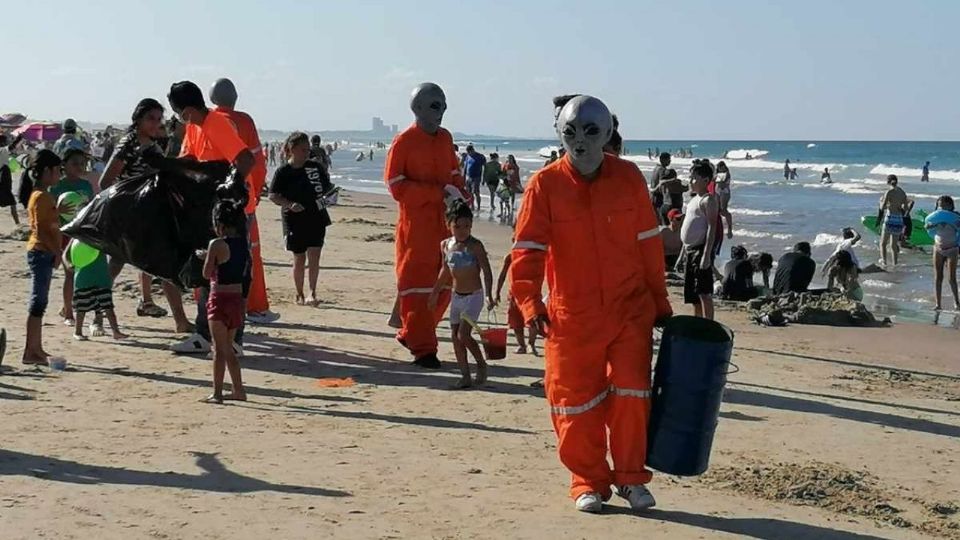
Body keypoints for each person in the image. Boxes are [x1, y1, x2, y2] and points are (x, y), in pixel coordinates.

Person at [511, 95, 671, 513]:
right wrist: (529, 303)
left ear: (608, 135)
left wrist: (660, 303)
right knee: (572, 399)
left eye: (590, 132)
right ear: (559, 134)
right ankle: (588, 481)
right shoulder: (544, 185)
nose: (579, 141)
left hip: (629, 310)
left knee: (632, 395)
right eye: (570, 132)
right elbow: (527, 249)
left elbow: (649, 245)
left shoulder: (629, 178)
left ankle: (631, 478)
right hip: (571, 314)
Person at [166, 80, 255, 356]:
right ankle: (204, 334)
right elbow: (189, 159)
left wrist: (229, 190)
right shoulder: (194, 128)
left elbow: (245, 160)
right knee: (206, 270)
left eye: (178, 112)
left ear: (189, 110)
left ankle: (235, 338)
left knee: (232, 272)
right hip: (206, 210)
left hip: (230, 211)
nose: (179, 118)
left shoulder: (215, 124)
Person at [383, 82, 468, 369]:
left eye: (443, 105)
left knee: (446, 283)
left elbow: (454, 173)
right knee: (417, 286)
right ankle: (424, 349)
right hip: (416, 227)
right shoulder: (404, 142)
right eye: (435, 105)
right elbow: (395, 185)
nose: (441, 111)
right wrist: (435, 193)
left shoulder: (445, 138)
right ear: (417, 108)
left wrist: (459, 197)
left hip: (445, 225)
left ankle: (412, 332)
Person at [99, 98, 192, 331]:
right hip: (130, 216)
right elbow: (106, 181)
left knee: (163, 264)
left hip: (149, 214)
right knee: (117, 265)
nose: (155, 123)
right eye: (150, 118)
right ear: (138, 118)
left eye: (158, 119)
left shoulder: (151, 144)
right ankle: (97, 314)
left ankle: (180, 321)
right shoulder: (128, 144)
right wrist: (132, 196)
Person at [209, 78, 273, 322]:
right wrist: (253, 194)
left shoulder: (205, 122)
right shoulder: (243, 121)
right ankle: (252, 305)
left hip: (212, 200)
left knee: (212, 252)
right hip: (241, 199)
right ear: (234, 98)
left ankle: (209, 306)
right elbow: (256, 162)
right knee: (246, 253)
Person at [428, 201, 495, 388]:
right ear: (448, 225)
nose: (462, 231)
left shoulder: (475, 246)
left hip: (474, 296)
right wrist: (434, 292)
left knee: (464, 335)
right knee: (454, 336)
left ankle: (481, 364)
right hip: (456, 296)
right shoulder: (446, 245)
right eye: (457, 226)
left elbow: (487, 271)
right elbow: (445, 271)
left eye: (467, 226)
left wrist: (489, 295)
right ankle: (465, 375)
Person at [269, 132, 335, 305]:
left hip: (316, 217)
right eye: (303, 150)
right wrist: (290, 204)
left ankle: (312, 293)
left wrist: (331, 197)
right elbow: (273, 195)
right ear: (292, 149)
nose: (307, 153)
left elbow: (327, 189)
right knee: (299, 258)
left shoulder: (315, 167)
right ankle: (299, 293)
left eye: (308, 150)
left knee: (315, 255)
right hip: (294, 219)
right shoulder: (284, 171)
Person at [200, 200, 249, 404]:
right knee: (228, 348)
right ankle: (238, 389)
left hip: (219, 298)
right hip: (236, 299)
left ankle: (217, 392)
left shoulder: (217, 244)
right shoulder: (243, 243)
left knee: (219, 349)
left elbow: (207, 273)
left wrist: (205, 257)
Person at [21, 150, 63, 365]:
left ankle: (36, 348)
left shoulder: (44, 196)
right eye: (57, 171)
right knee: (38, 302)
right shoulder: (40, 196)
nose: (59, 175)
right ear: (47, 171)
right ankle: (31, 350)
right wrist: (56, 251)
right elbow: (41, 228)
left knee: (41, 302)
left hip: (44, 251)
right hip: (41, 251)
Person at [50, 148, 95, 327]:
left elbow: (91, 208)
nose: (79, 166)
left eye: (82, 163)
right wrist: (57, 212)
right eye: (74, 163)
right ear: (64, 165)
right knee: (69, 274)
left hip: (82, 234)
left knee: (82, 274)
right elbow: (48, 212)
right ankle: (69, 313)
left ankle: (70, 307)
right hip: (63, 234)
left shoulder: (86, 186)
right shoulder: (57, 186)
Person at [65, 239, 127, 341]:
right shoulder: (76, 237)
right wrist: (69, 265)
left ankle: (116, 332)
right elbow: (66, 254)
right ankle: (78, 332)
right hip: (83, 277)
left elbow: (112, 250)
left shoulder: (98, 236)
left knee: (108, 306)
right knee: (82, 308)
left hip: (101, 276)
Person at [681, 161, 719, 320]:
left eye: (694, 178)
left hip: (700, 249)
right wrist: (682, 253)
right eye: (690, 178)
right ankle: (697, 322)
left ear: (705, 180)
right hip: (689, 250)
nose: (690, 182)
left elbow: (712, 227)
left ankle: (708, 324)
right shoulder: (693, 199)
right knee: (693, 295)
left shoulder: (708, 200)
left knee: (703, 292)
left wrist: (706, 255)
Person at [495, 245, 537, 356]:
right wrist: (497, 291)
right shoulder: (510, 256)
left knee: (533, 319)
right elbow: (502, 275)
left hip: (531, 292)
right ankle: (521, 345)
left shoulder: (534, 255)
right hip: (514, 294)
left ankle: (531, 344)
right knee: (516, 322)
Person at [924, 195, 960, 310]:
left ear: (950, 206)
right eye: (940, 205)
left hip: (952, 249)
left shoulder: (956, 217)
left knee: (951, 278)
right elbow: (927, 227)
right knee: (938, 277)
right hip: (938, 248)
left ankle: (957, 303)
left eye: (944, 205)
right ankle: (938, 304)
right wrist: (930, 225)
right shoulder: (934, 217)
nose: (942, 207)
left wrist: (954, 225)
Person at [878, 174, 908, 267]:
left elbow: (882, 207)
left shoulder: (889, 192)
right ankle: (895, 263)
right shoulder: (902, 192)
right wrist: (899, 207)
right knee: (893, 245)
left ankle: (884, 262)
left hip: (890, 217)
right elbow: (906, 208)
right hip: (898, 219)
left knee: (883, 243)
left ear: (888, 182)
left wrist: (880, 202)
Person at [648, 152, 671, 219]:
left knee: (654, 216)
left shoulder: (656, 168)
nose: (670, 161)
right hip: (657, 196)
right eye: (668, 160)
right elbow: (662, 183)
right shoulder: (662, 169)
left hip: (652, 195)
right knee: (659, 217)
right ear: (663, 160)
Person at [714, 161, 733, 238]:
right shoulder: (717, 174)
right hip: (718, 192)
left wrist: (717, 181)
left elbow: (723, 182)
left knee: (724, 210)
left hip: (724, 192)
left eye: (721, 167)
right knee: (717, 210)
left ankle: (729, 228)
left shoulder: (727, 174)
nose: (721, 169)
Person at [463, 145, 486, 211]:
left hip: (476, 177)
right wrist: (463, 177)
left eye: (469, 152)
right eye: (468, 152)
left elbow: (485, 167)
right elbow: (465, 167)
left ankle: (478, 206)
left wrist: (484, 178)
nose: (469, 153)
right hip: (468, 177)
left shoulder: (480, 156)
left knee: (476, 192)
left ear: (472, 150)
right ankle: (472, 206)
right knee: (469, 193)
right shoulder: (467, 156)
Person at [0, 145, 18, 226]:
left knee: (12, 203)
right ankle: (17, 223)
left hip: (3, 181)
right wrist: (20, 137)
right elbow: (12, 146)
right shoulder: (3, 150)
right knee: (13, 204)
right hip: (4, 183)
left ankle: (17, 223)